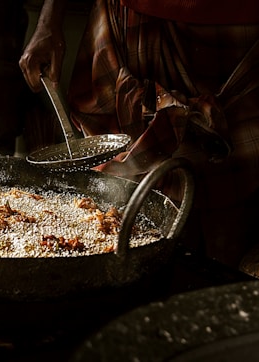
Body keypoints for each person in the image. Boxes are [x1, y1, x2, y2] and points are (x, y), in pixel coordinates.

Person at [20, 0, 259, 268]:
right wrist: (49, 22)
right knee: (124, 221)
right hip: (134, 19)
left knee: (229, 225)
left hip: (236, 31)